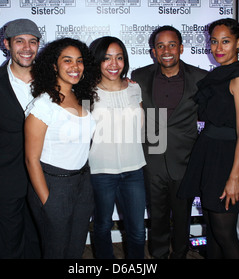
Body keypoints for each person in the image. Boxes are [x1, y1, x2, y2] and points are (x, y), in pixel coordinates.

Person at [178, 18, 239, 259]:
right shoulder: (221, 74)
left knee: (225, 234)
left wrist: (234, 178)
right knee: (212, 229)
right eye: (214, 42)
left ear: (238, 42)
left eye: (225, 41)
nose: (218, 48)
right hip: (209, 152)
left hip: (227, 158)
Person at [131, 26, 208, 259]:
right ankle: (159, 253)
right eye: (160, 46)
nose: (166, 50)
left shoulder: (201, 78)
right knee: (157, 212)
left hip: (184, 157)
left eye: (172, 45)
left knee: (182, 213)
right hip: (152, 154)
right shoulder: (139, 76)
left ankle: (181, 252)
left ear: (181, 48)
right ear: (154, 51)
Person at [24, 37, 99, 259]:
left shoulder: (82, 96)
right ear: (54, 65)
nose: (75, 67)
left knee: (75, 249)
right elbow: (31, 159)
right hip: (53, 185)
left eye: (79, 61)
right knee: (56, 252)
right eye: (67, 61)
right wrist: (47, 200)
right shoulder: (43, 105)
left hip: (82, 183)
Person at [0, 19, 41, 259]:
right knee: (9, 241)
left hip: (45, 173)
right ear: (6, 44)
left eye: (32, 41)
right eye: (19, 41)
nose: (27, 48)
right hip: (6, 176)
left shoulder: (54, 80)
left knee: (40, 237)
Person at [88, 36, 146, 259]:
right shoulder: (87, 91)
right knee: (102, 227)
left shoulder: (134, 88)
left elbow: (141, 127)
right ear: (97, 61)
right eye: (107, 58)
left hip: (134, 170)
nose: (114, 64)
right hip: (101, 172)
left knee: (138, 231)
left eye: (119, 57)